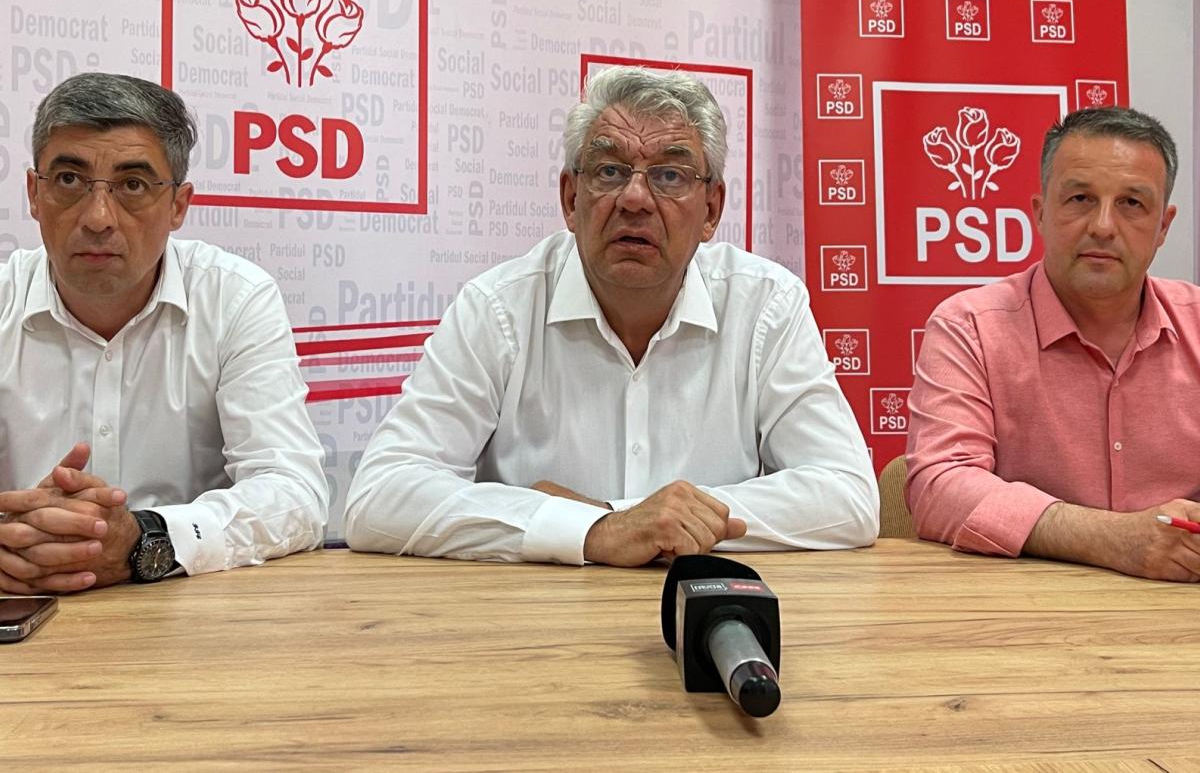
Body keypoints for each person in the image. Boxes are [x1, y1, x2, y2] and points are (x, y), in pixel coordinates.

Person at [345, 66, 878, 566]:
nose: (635, 198)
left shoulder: (766, 306)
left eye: (670, 175)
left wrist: (618, 518)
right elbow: (380, 497)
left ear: (711, 210)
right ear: (570, 198)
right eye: (609, 171)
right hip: (532, 623)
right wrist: (599, 530)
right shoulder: (498, 308)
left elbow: (847, 494)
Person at [0, 73, 328, 594]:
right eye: (68, 180)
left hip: (190, 616)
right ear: (34, 194)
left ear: (178, 205)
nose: (98, 218)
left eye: (133, 185)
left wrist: (148, 539)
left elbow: (295, 494)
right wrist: (16, 536)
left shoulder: (235, 297)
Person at [906, 105, 1200, 581]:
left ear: (1163, 227)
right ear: (1040, 214)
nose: (1103, 225)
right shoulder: (970, 327)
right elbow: (939, 487)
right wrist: (1114, 540)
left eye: (1131, 203)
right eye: (1080, 198)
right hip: (1023, 609)